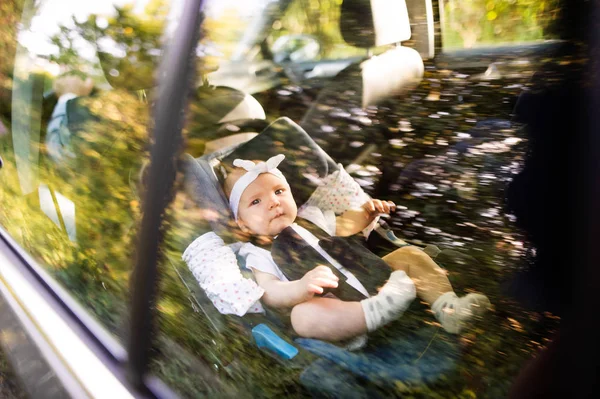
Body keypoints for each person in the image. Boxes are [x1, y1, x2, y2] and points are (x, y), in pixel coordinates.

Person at [223, 154, 491, 342]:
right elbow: (270, 291)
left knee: (410, 255)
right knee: (303, 317)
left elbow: (345, 226)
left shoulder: (312, 216)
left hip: (376, 274)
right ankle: (375, 312)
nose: (272, 202)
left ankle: (449, 308)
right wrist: (301, 287)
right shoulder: (257, 253)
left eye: (279, 191)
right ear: (242, 223)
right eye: (256, 202)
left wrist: (366, 212)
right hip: (339, 306)